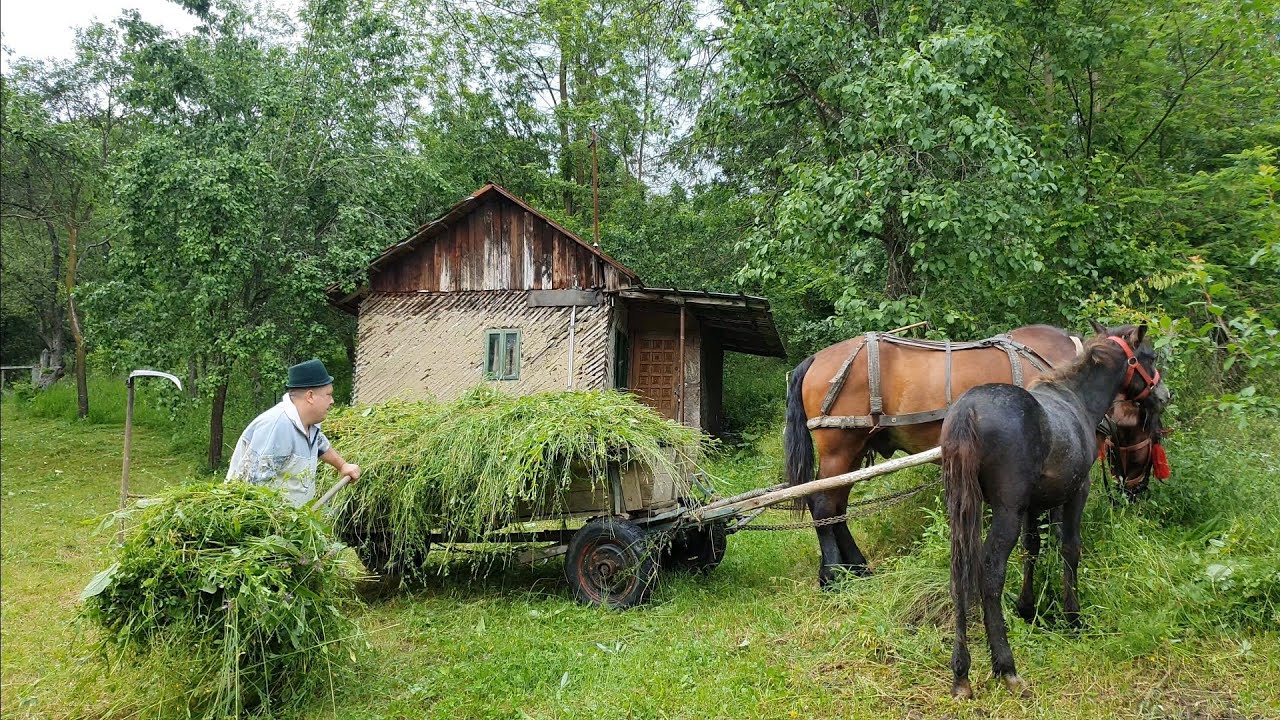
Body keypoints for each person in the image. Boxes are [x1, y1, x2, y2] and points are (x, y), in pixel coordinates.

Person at [226, 358, 360, 507]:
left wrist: (342, 466)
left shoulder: (307, 424)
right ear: (310, 396)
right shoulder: (276, 427)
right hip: (265, 523)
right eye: (328, 394)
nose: (332, 401)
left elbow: (320, 445)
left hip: (293, 521)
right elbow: (250, 486)